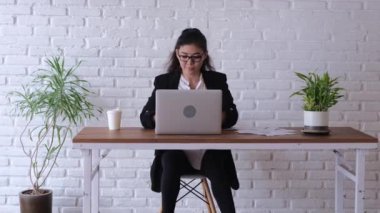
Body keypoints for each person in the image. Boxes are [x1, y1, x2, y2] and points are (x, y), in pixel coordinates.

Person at [140, 28, 239, 213]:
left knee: (217, 164)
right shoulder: (165, 82)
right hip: (177, 153)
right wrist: (156, 117)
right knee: (169, 159)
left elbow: (233, 114)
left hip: (209, 151)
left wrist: (221, 117)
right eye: (184, 56)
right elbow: (144, 117)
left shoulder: (217, 81)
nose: (190, 62)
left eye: (196, 57)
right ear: (177, 53)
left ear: (205, 56)